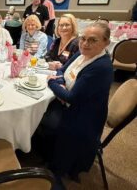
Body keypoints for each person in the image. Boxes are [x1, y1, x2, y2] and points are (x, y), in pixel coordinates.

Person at [41, 21, 113, 185]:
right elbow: (61, 69)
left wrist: (52, 83)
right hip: (70, 103)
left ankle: (54, 167)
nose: (85, 43)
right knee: (42, 111)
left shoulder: (101, 67)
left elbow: (71, 98)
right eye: (83, 38)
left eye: (93, 40)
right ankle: (44, 150)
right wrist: (60, 81)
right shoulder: (82, 54)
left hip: (83, 116)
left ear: (106, 43)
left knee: (44, 119)